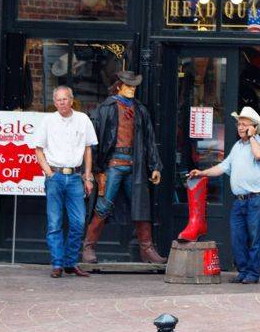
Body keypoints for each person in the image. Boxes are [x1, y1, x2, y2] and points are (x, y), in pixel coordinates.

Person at [82, 71, 166, 264]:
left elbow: (149, 139)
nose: (132, 90)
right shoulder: (107, 108)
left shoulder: (140, 110)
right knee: (103, 206)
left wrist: (155, 165)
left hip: (135, 165)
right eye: (129, 86)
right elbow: (95, 140)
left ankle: (147, 249)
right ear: (119, 86)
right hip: (113, 165)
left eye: (134, 87)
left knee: (141, 207)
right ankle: (88, 247)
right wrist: (96, 170)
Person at [189, 106, 260, 284]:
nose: (240, 127)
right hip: (240, 201)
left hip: (257, 199)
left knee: (255, 238)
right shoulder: (237, 147)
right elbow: (222, 167)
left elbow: (259, 155)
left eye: (244, 124)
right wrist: (201, 173)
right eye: (239, 124)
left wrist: (252, 137)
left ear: (254, 127)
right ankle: (243, 271)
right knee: (237, 238)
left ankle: (252, 274)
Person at [34, 85, 97, 278]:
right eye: (58, 100)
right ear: (54, 102)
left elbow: (87, 149)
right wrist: (49, 173)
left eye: (65, 99)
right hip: (55, 176)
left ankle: (70, 262)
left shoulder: (83, 119)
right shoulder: (48, 121)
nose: (62, 103)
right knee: (54, 223)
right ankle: (57, 264)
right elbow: (38, 149)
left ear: (72, 100)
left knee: (78, 222)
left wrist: (88, 176)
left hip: (76, 177)